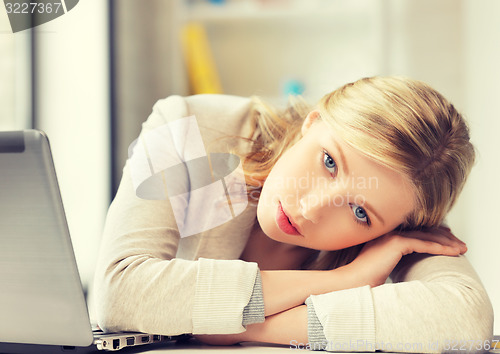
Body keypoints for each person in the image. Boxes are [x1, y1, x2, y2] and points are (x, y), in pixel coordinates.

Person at [93, 76, 493, 353]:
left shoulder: (403, 220)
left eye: (358, 211)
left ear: (395, 228)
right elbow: (119, 294)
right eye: (329, 162)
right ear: (313, 122)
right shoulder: (189, 127)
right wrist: (344, 280)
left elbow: (466, 321)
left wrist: (243, 327)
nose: (312, 207)